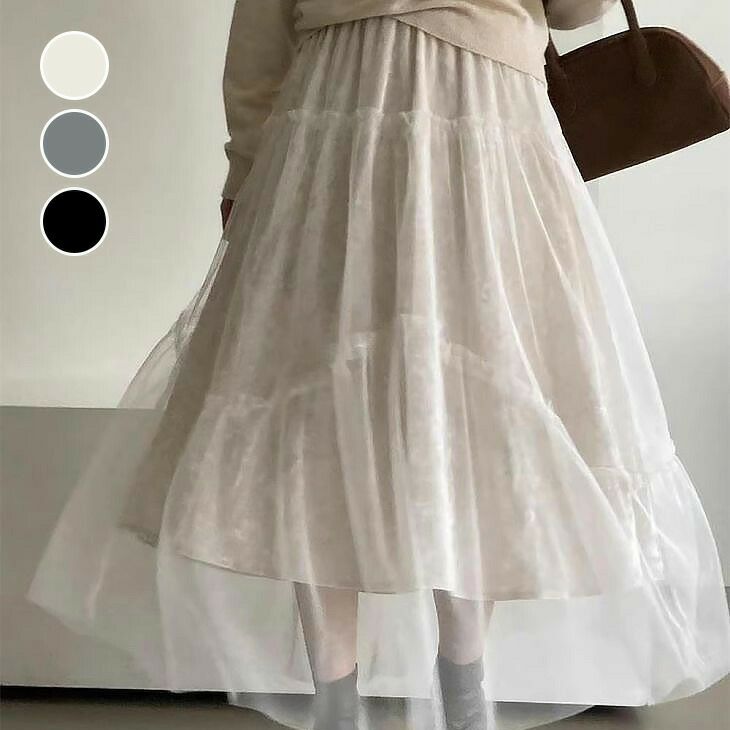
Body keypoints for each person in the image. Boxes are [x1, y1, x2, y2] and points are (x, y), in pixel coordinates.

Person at [28, 3, 730, 730]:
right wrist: (246, 167)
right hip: (461, 124)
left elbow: (260, 35)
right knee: (453, 417)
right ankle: (450, 697)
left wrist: (247, 169)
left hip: (357, 123)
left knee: (342, 420)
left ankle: (367, 702)